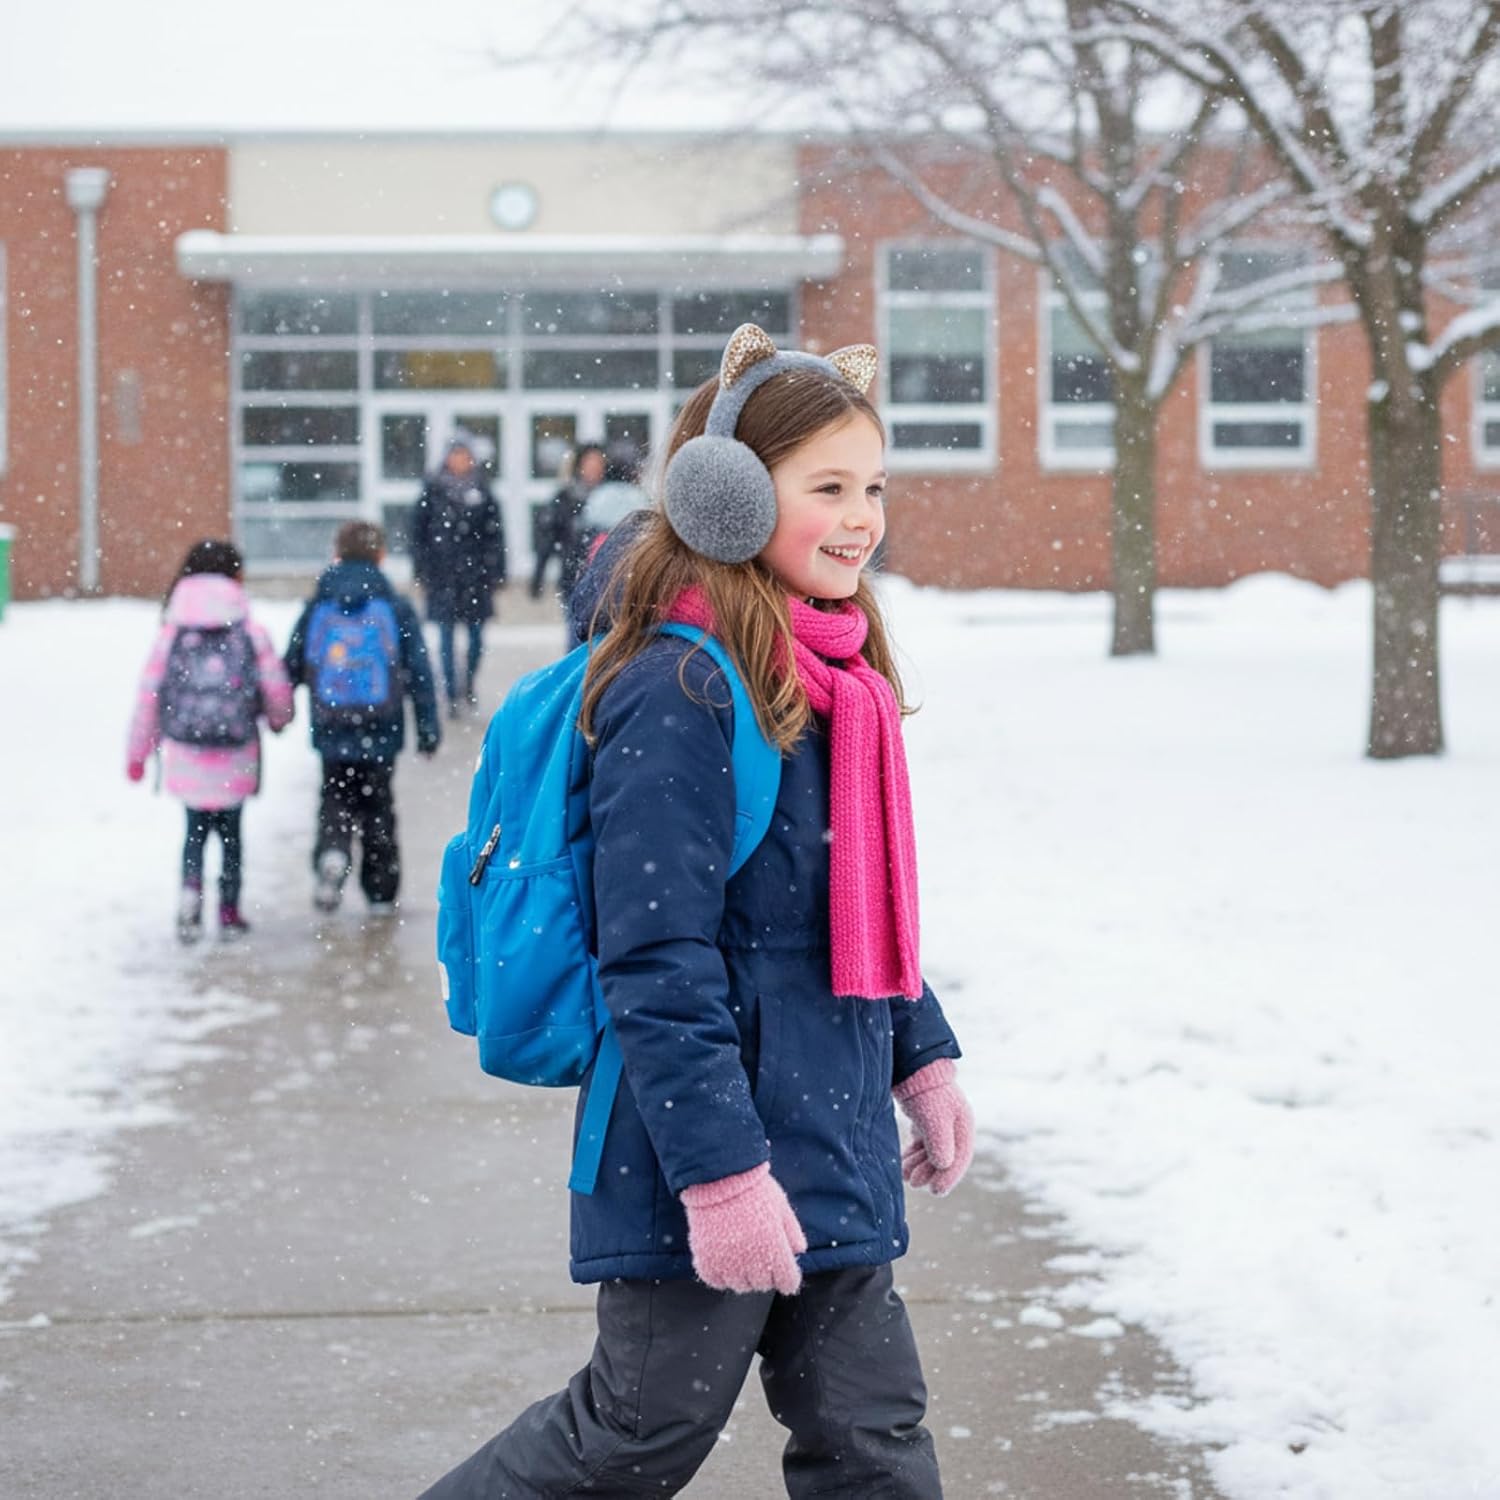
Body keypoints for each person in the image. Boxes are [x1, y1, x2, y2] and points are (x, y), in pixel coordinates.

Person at [417, 326, 974, 1499]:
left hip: (830, 1130)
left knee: (873, 1441)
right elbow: (656, 959)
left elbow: (844, 905)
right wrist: (720, 1177)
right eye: (827, 488)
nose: (862, 516)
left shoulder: (835, 680)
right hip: (706, 1143)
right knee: (630, 1438)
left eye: (872, 486)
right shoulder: (680, 688)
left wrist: (921, 1057)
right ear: (722, 498)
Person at [125, 539, 294, 943]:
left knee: (194, 833)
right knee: (232, 836)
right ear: (235, 576)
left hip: (187, 752)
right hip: (235, 753)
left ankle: (189, 896)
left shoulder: (173, 632)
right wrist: (279, 719)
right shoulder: (250, 632)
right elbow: (274, 686)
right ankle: (230, 909)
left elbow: (149, 694)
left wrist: (138, 752)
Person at [283, 520, 440, 916]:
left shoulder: (321, 603)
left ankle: (332, 854)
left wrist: (278, 706)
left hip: (332, 723)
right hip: (380, 725)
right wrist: (427, 727)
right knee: (378, 806)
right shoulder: (393, 604)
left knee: (334, 796)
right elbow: (418, 671)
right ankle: (381, 893)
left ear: (337, 553)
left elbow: (295, 662)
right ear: (380, 555)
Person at [409, 433, 507, 718]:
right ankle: (451, 692)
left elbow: (495, 535)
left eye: (464, 455)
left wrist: (497, 570)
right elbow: (418, 534)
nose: (460, 460)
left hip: (476, 578)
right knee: (446, 638)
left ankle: (468, 683)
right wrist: (422, 568)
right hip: (442, 576)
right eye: (455, 454)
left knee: (476, 639)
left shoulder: (484, 492)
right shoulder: (432, 492)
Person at [550, 441, 605, 612]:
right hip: (573, 575)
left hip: (605, 579)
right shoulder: (566, 496)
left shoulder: (613, 496)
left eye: (598, 463)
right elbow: (550, 533)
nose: (594, 468)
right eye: (589, 462)